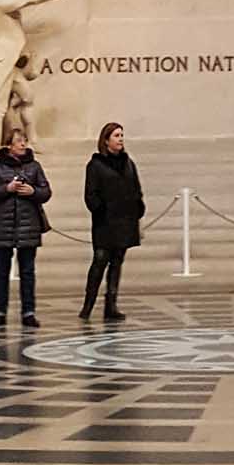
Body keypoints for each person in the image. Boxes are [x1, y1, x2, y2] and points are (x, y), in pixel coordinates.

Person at [0, 126, 52, 330]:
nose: (23, 144)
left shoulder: (34, 167)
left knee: (28, 272)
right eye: (19, 141)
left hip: (28, 226)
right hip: (3, 228)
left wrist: (32, 191)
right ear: (8, 145)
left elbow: (46, 192)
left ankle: (28, 312)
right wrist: (7, 188)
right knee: (1, 272)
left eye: (24, 140)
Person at [80, 121, 145, 322]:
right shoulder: (96, 165)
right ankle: (88, 305)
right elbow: (90, 195)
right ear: (106, 140)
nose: (121, 139)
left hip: (124, 223)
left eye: (122, 135)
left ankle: (111, 305)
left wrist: (137, 210)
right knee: (99, 262)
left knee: (117, 263)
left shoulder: (128, 163)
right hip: (105, 224)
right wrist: (102, 209)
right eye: (116, 136)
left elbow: (136, 189)